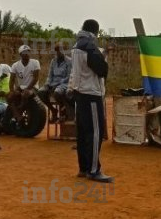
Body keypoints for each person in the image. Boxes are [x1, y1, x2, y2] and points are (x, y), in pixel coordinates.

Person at [68, 19, 112, 183]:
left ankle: (83, 168)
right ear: (96, 31)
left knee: (83, 132)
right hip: (92, 95)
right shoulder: (90, 46)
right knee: (95, 132)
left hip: (80, 94)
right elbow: (101, 70)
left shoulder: (76, 46)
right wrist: (104, 58)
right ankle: (94, 170)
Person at [8, 45, 40, 129]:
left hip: (33, 87)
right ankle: (18, 116)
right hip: (21, 87)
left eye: (28, 52)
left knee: (25, 94)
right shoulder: (15, 65)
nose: (26, 54)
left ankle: (20, 109)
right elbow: (11, 80)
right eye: (24, 53)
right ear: (20, 54)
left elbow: (36, 78)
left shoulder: (35, 62)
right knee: (9, 97)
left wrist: (27, 88)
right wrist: (12, 91)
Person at [38, 45, 72, 123]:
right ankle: (53, 110)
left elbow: (69, 76)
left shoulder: (69, 61)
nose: (59, 52)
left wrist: (57, 84)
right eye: (57, 51)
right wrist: (47, 84)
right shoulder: (53, 61)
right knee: (40, 92)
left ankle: (63, 112)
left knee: (57, 92)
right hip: (53, 83)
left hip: (64, 83)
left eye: (60, 50)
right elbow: (50, 75)